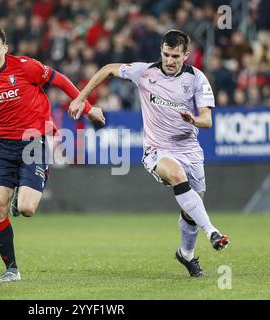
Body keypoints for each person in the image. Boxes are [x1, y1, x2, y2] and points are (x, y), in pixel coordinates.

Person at [69, 30, 229, 277]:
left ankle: (186, 255)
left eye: (175, 56)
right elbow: (109, 68)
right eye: (166, 54)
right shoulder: (145, 72)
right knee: (176, 175)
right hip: (158, 150)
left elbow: (207, 120)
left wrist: (194, 120)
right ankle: (212, 232)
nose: (170, 60)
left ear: (186, 55)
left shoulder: (197, 79)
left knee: (191, 209)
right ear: (161, 51)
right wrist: (81, 97)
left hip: (189, 149)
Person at [0, 23, 105, 282]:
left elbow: (60, 80)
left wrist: (87, 107)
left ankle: (27, 189)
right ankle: (12, 269)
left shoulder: (27, 66)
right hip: (3, 145)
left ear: (5, 48)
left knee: (27, 209)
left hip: (33, 141)